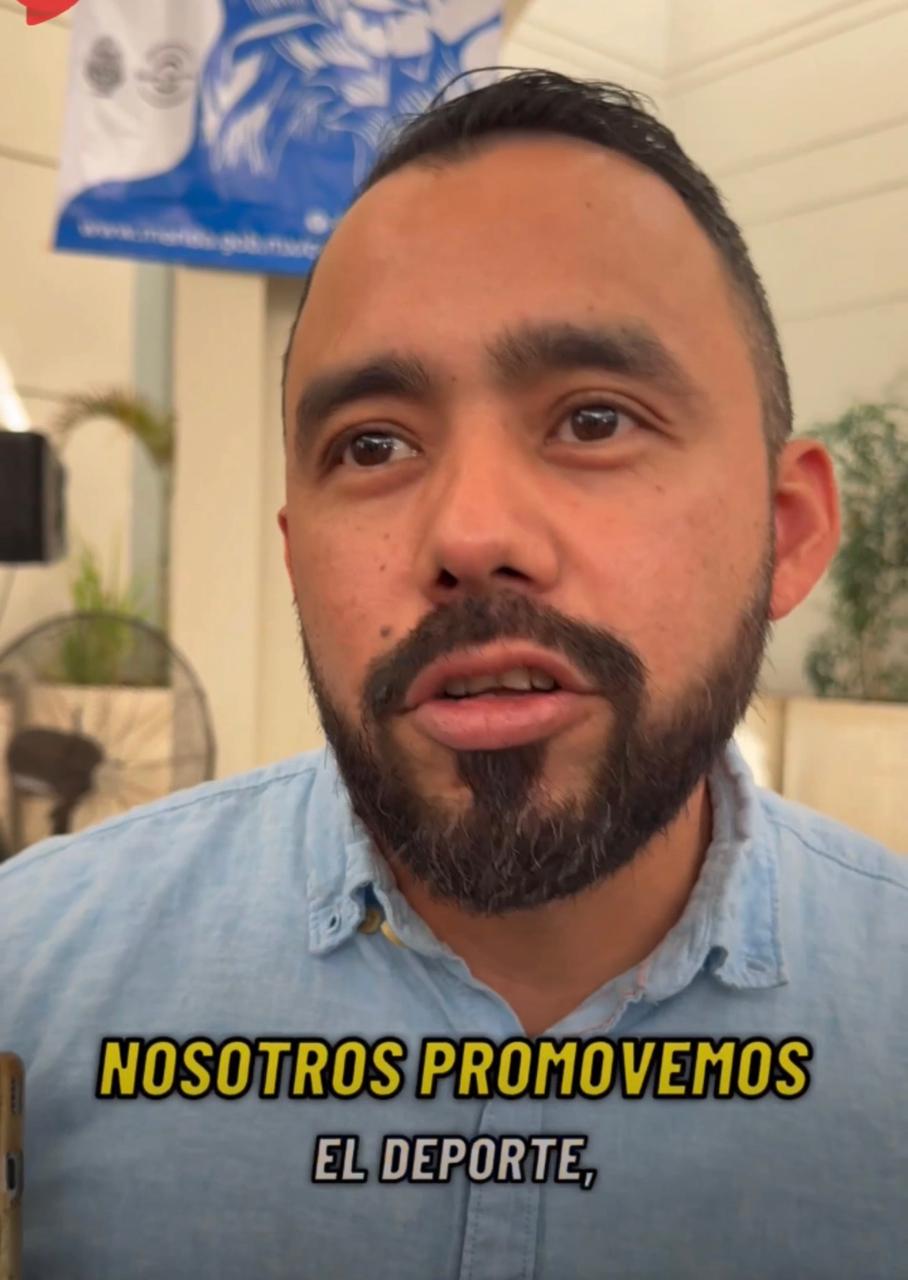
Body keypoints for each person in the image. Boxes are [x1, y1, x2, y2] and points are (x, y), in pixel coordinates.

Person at [2, 70, 905, 1279]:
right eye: (372, 444)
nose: (470, 533)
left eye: (594, 420)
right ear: (296, 559)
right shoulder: (30, 983)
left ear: (785, 531)